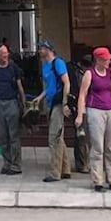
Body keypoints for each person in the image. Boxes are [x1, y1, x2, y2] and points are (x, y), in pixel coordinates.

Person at [75, 46, 111, 193]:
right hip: (95, 110)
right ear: (98, 60)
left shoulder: (110, 72)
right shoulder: (90, 74)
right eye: (106, 59)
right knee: (98, 147)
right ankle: (97, 180)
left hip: (110, 110)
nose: (108, 61)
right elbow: (82, 94)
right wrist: (80, 114)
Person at [33, 39, 72, 183]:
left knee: (54, 138)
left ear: (48, 49)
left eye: (41, 48)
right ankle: (65, 169)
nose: (39, 51)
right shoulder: (45, 67)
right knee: (59, 137)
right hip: (49, 103)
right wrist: (40, 98)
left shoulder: (58, 63)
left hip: (58, 103)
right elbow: (48, 87)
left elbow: (66, 82)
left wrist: (65, 102)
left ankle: (55, 172)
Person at [0, 44, 26, 175]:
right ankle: (6, 163)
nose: (5, 55)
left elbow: (20, 87)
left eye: (6, 52)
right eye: (3, 53)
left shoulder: (14, 68)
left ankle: (16, 165)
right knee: (2, 136)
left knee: (14, 135)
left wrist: (24, 104)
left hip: (12, 103)